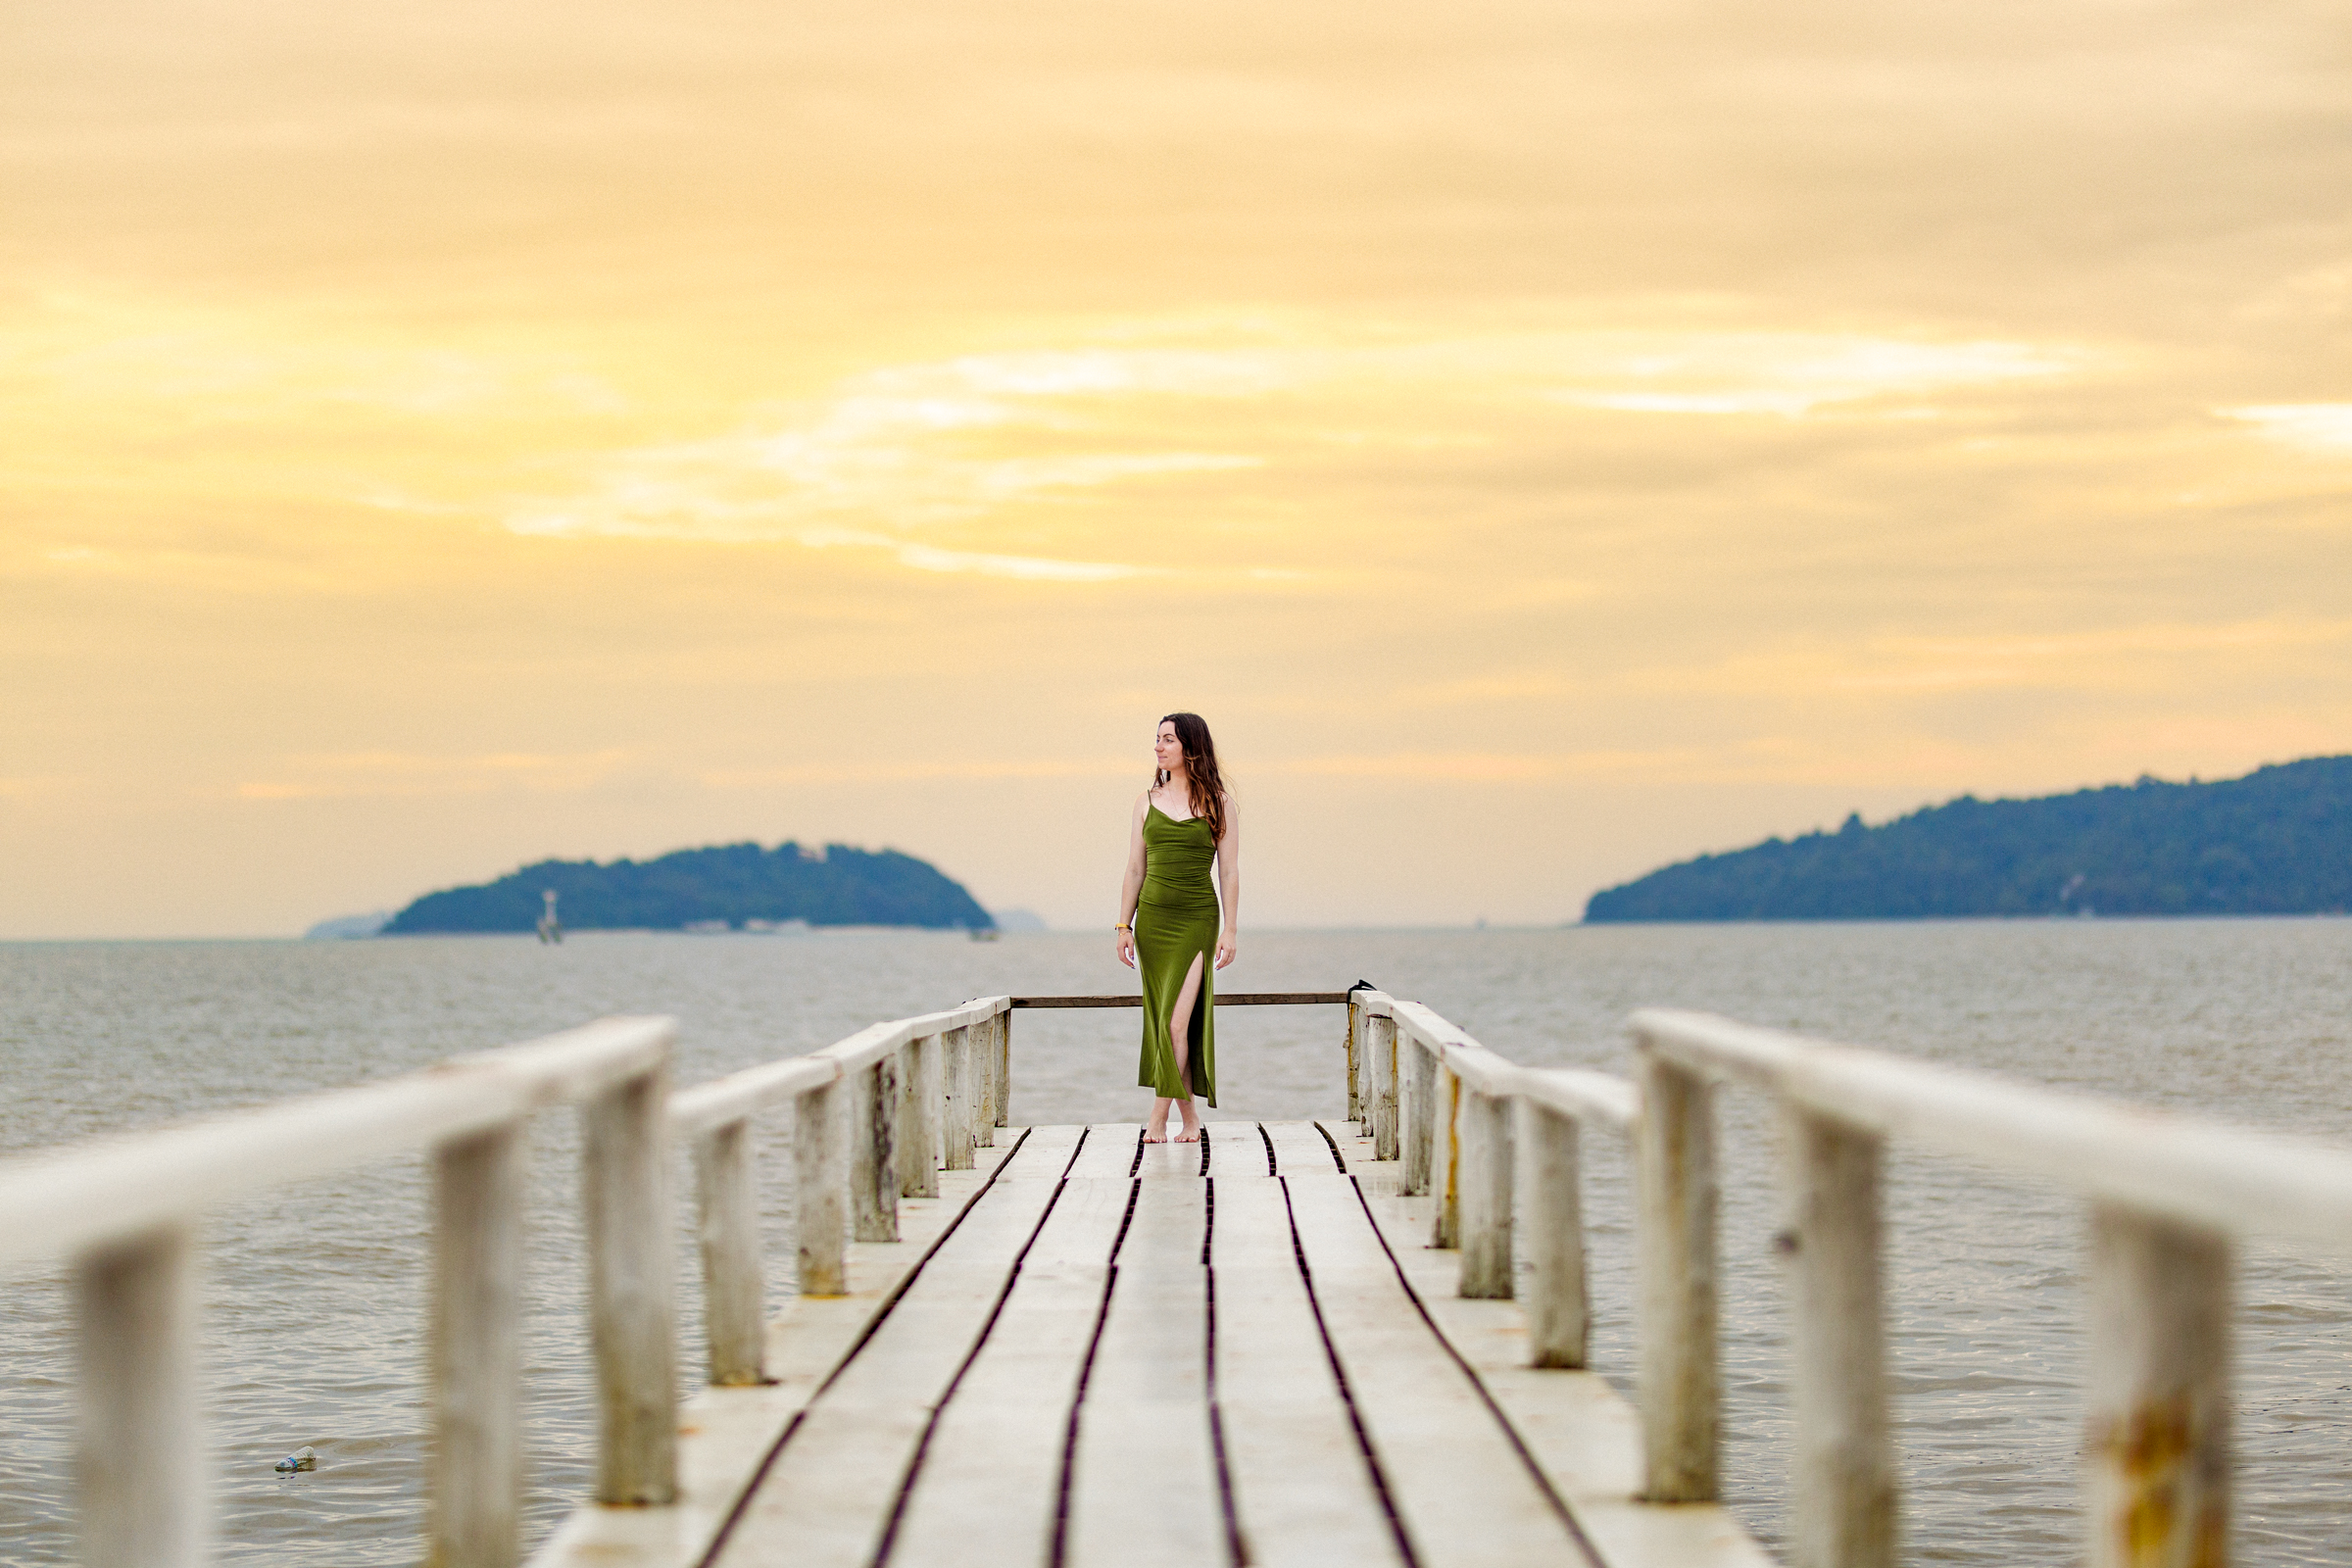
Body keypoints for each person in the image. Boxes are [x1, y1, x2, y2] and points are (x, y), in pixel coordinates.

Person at [1113, 712, 1240, 1143]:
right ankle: (1190, 1120)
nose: (1158, 746)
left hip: (1197, 921)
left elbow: (1229, 872)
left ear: (1191, 746)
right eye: (1157, 739)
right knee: (1169, 1023)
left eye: (1168, 739)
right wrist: (1123, 925)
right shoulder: (1145, 802)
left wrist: (1230, 930)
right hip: (1152, 923)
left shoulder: (1219, 803)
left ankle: (1157, 1117)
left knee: (1174, 1023)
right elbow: (1135, 869)